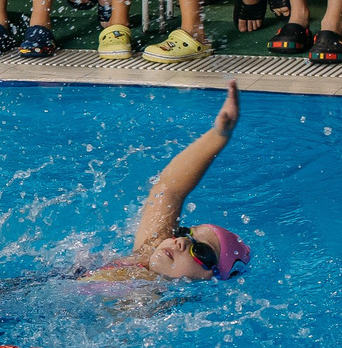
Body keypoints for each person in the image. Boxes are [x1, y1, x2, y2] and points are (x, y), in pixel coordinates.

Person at [83, 81, 253, 283]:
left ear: (213, 275)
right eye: (185, 233)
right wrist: (219, 135)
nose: (181, 241)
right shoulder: (146, 254)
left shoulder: (154, 299)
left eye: (200, 250)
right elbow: (170, 189)